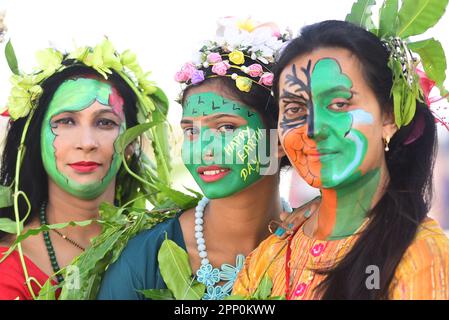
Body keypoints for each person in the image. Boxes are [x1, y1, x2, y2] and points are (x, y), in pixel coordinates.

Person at [97, 18, 317, 300]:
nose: (203, 149)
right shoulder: (142, 262)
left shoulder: (320, 249)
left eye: (226, 127)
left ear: (278, 140)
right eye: (190, 131)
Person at [232, 19, 449, 300]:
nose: (313, 128)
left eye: (339, 104)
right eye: (295, 108)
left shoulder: (421, 258)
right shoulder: (271, 253)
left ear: (390, 117)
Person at [0, 39, 169, 299]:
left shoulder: (166, 247)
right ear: (34, 139)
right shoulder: (9, 265)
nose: (87, 143)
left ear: (131, 143)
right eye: (66, 121)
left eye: (105, 122)